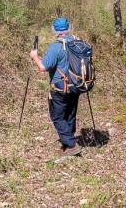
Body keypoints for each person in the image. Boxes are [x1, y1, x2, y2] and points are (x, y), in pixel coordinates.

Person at [29, 17, 82, 157]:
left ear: (54, 30)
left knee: (57, 116)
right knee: (70, 113)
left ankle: (71, 144)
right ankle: (68, 142)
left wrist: (35, 57)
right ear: (68, 28)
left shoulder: (55, 47)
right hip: (76, 85)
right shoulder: (78, 43)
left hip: (60, 87)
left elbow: (43, 67)